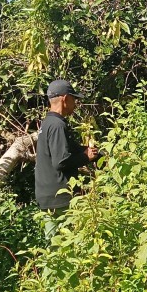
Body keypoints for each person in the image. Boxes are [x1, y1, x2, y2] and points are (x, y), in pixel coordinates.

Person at [35, 79, 99, 237]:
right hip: (60, 199)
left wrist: (95, 153)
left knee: (54, 244)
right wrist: (86, 157)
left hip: (47, 196)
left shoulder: (48, 123)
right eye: (74, 99)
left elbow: (69, 149)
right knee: (71, 241)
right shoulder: (58, 126)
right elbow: (61, 161)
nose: (75, 104)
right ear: (65, 99)